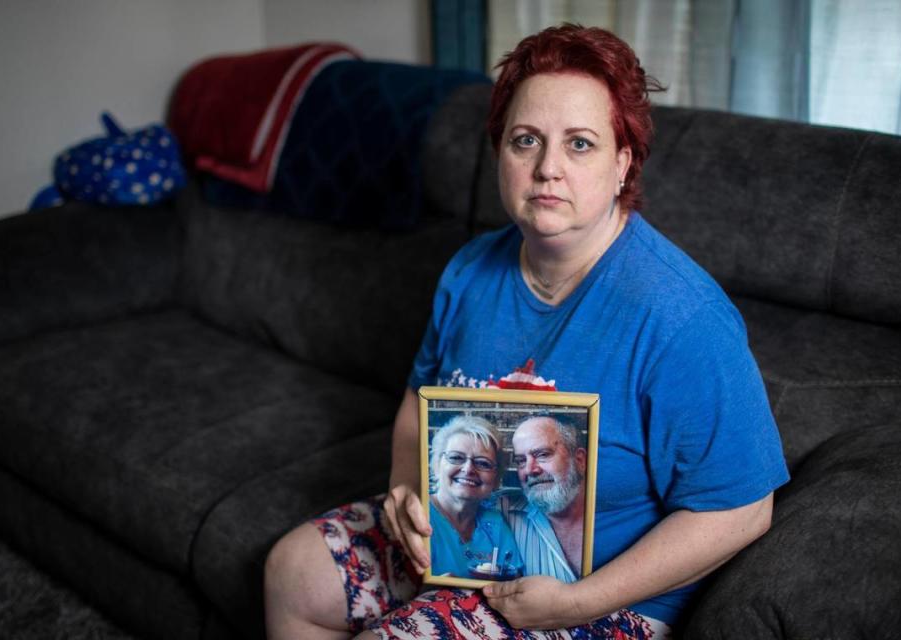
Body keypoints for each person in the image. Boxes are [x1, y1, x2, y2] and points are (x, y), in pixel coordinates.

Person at [264, 23, 789, 640]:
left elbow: (743, 510)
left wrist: (578, 602)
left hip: (604, 591)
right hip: (466, 543)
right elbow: (418, 398)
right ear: (499, 155)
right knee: (290, 572)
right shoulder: (468, 270)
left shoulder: (681, 316)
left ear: (623, 163)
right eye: (526, 140)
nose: (548, 169)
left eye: (581, 144)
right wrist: (407, 490)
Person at [426, 415, 522, 579]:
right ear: (436, 466)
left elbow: (514, 578)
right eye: (456, 457)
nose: (469, 469)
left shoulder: (494, 524)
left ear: (496, 479)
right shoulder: (420, 514)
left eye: (483, 463)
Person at [496, 415, 587, 582]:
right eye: (521, 461)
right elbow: (453, 506)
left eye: (543, 454)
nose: (530, 469)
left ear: (580, 460)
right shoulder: (502, 509)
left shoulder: (615, 516)